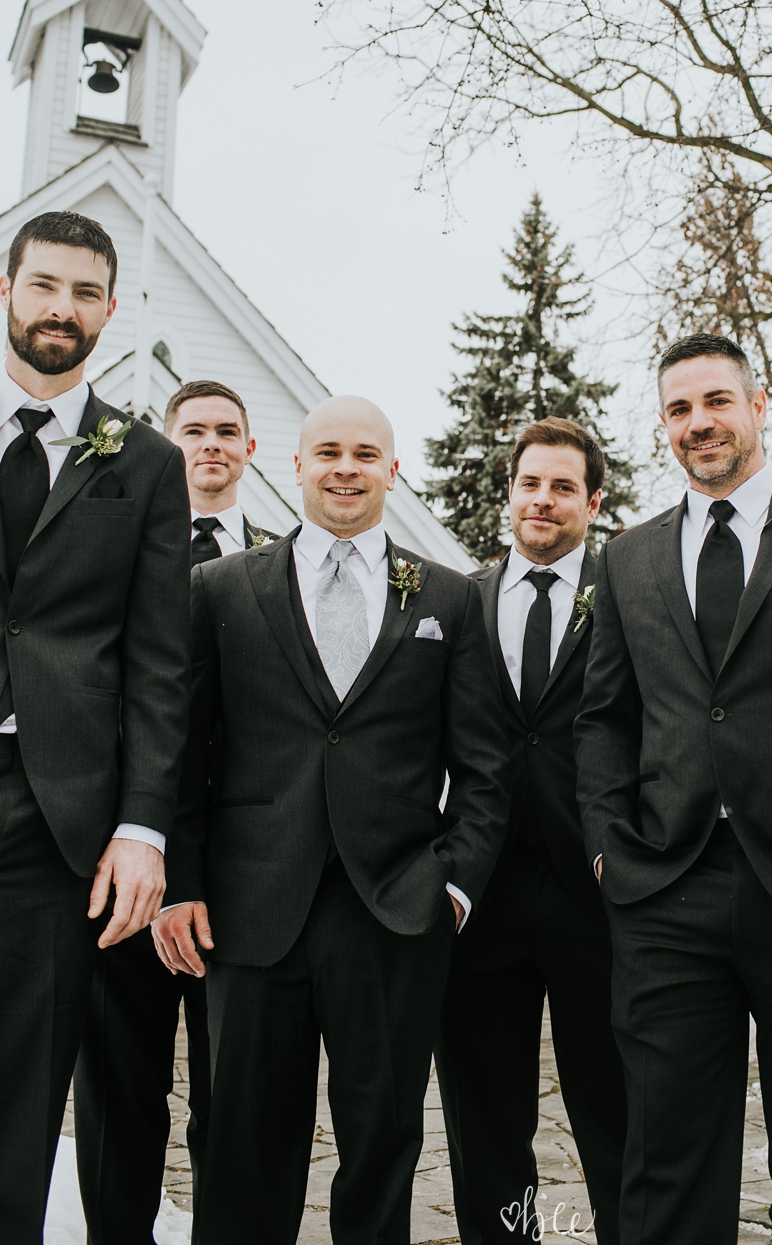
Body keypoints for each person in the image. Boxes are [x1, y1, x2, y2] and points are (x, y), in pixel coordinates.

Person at [152, 395, 510, 1245]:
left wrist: (451, 886)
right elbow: (181, 753)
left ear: (392, 469)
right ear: (297, 465)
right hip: (248, 911)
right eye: (327, 452)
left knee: (383, 1140)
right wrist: (185, 883)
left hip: (392, 910)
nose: (344, 467)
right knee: (242, 1142)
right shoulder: (222, 587)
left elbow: (486, 765)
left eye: (364, 453)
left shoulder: (449, 599)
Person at [575, 334, 772, 1245]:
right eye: (678, 408)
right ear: (662, 424)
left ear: (759, 403)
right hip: (665, 888)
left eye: (715, 401)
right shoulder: (627, 557)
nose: (698, 422)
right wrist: (608, 849)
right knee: (668, 1151)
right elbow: (604, 718)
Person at [0, 210, 190, 1245]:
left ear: (110, 311)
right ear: (8, 291)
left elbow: (159, 659)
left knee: (27, 1083)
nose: (62, 309)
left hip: (52, 813)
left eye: (84, 293)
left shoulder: (147, 463)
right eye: (44, 286)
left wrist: (143, 825)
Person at [74, 379, 280, 1244]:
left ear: (250, 450)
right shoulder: (113, 552)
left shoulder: (283, 563)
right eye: (193, 430)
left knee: (234, 1095)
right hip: (126, 859)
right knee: (121, 1089)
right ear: (168, 442)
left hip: (241, 875)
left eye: (228, 431)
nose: (211, 445)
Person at [436, 417, 626, 1245]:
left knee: (619, 1113)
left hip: (597, 894)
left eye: (561, 486)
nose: (541, 500)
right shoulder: (458, 600)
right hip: (481, 895)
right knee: (485, 1121)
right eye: (529, 483)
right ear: (509, 492)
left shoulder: (625, 595)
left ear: (592, 499)